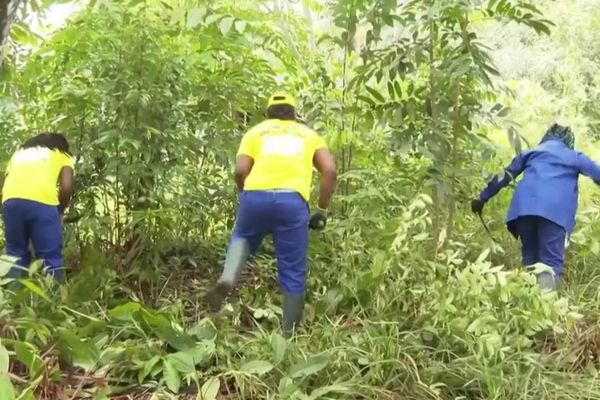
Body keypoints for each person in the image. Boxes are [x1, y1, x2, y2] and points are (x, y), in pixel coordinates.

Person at [207, 93, 337, 335]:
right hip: (292, 201)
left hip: (255, 196)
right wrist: (321, 209)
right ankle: (289, 336)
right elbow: (329, 171)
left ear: (269, 113)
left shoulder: (255, 133)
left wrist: (245, 196)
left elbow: (240, 170)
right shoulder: (309, 135)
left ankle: (227, 278)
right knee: (293, 268)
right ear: (293, 113)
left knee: (242, 237)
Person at [471, 123, 600, 290]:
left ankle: (529, 309)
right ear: (567, 141)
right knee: (550, 264)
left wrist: (483, 197)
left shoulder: (532, 152)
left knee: (530, 258)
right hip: (554, 213)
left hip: (524, 211)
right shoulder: (573, 156)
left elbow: (505, 175)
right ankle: (547, 310)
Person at [1, 133, 75, 282]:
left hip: (10, 200)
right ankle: (52, 301)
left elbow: (3, 179)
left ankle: (13, 301)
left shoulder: (19, 153)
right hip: (43, 201)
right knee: (50, 257)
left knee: (15, 254)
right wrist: (59, 211)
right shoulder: (61, 153)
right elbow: (67, 187)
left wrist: (5, 209)